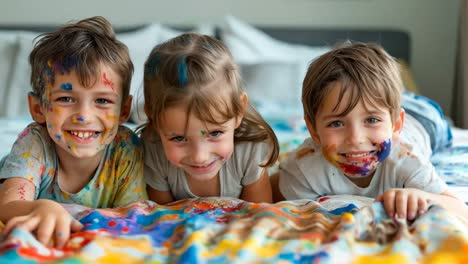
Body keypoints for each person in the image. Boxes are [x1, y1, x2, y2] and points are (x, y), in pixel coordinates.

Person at [271, 42, 467, 220]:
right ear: (313, 130)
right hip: (390, 111)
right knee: (379, 103)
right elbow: (267, 193)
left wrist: (422, 196)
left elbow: (459, 208)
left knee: (433, 121)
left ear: (396, 125)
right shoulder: (304, 168)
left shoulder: (407, 159)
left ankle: (399, 103)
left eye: (371, 120)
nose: (355, 138)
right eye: (337, 123)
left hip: (423, 119)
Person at [0, 16, 148, 248]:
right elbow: (7, 205)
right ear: (38, 109)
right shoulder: (34, 144)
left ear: (124, 111)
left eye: (102, 100)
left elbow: (132, 215)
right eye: (66, 98)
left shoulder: (125, 148)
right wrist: (42, 207)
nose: (84, 116)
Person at [139, 33, 279, 205]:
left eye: (215, 133)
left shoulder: (250, 150)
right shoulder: (153, 149)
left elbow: (259, 215)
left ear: (238, 110)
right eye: (179, 138)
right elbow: (161, 217)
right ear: (153, 117)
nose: (200, 157)